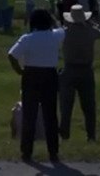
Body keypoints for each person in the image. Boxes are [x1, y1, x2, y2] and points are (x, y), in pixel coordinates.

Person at [8, 9, 64, 162]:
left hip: (31, 75)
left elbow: (12, 55)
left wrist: (20, 70)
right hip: (50, 76)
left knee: (29, 115)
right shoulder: (55, 36)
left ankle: (26, 151)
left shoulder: (27, 38)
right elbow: (61, 28)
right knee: (50, 115)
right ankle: (53, 151)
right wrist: (54, 21)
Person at [59, 5, 100, 141]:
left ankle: (64, 134)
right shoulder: (91, 31)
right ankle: (91, 135)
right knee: (89, 106)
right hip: (86, 69)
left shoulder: (64, 32)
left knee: (66, 106)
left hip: (69, 68)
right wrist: (93, 23)